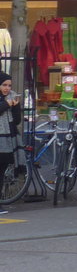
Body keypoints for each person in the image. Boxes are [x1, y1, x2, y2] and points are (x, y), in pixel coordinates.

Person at [0, 72, 20, 215]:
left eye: (9, 85)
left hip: (6, 140)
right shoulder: (6, 101)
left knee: (1, 172)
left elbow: (17, 120)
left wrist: (16, 106)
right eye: (4, 85)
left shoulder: (12, 97)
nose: (7, 88)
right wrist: (6, 104)